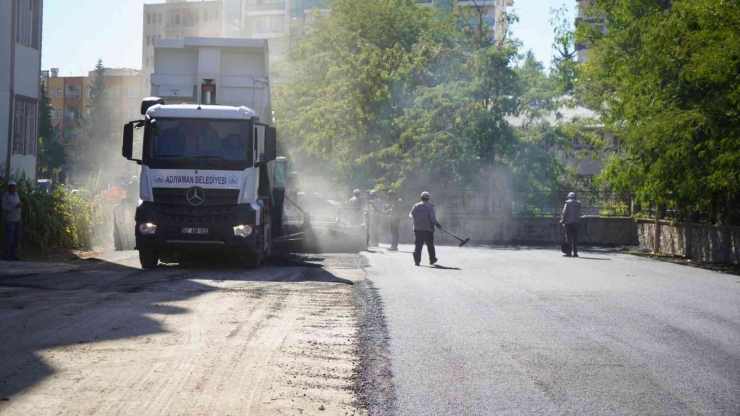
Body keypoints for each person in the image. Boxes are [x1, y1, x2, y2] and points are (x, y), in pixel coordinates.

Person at [409, 191, 441, 266]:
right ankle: (432, 259)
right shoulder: (430, 207)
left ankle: (417, 261)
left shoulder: (416, 206)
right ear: (428, 198)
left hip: (418, 229)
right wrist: (437, 224)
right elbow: (432, 218)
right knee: (430, 245)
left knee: (418, 245)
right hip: (428, 229)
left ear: (421, 198)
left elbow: (411, 215)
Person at [2, 181, 24, 261]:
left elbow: (17, 204)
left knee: (17, 237)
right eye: (11, 187)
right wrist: (14, 206)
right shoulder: (6, 195)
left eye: (14, 187)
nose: (13, 188)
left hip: (17, 219)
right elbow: (3, 207)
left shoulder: (16, 194)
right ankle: (6, 255)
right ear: (9, 188)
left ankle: (13, 254)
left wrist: (20, 205)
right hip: (10, 220)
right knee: (9, 238)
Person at [561, 191, 582, 257]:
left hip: (568, 222)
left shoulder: (567, 202)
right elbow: (579, 212)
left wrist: (563, 219)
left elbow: (564, 212)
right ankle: (575, 253)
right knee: (575, 238)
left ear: (569, 197)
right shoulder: (578, 203)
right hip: (576, 222)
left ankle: (569, 253)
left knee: (568, 238)